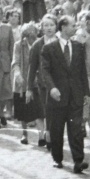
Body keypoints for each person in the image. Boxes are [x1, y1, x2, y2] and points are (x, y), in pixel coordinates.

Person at [41, 15, 90, 173]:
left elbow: (82, 71)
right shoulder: (49, 48)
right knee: (56, 129)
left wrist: (86, 92)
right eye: (72, 25)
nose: (75, 28)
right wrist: (52, 88)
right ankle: (57, 158)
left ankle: (78, 161)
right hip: (57, 96)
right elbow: (45, 71)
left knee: (76, 129)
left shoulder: (78, 47)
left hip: (75, 95)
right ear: (63, 27)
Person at [28, 14, 57, 148]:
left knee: (53, 111)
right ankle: (41, 135)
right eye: (46, 25)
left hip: (57, 84)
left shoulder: (60, 42)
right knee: (41, 110)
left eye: (51, 25)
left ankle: (50, 135)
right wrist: (29, 88)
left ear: (56, 26)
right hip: (42, 84)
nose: (49, 28)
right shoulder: (37, 44)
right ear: (42, 28)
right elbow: (32, 68)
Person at [11, 22, 43, 145]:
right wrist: (17, 74)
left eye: (34, 33)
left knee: (39, 109)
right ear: (24, 35)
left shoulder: (41, 43)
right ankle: (25, 134)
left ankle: (41, 136)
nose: (31, 36)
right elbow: (16, 61)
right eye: (28, 34)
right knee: (23, 109)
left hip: (38, 80)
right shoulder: (19, 45)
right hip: (23, 80)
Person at [72, 11, 90, 143]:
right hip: (83, 72)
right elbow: (77, 53)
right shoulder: (80, 34)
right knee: (86, 100)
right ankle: (88, 128)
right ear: (85, 23)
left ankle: (88, 127)